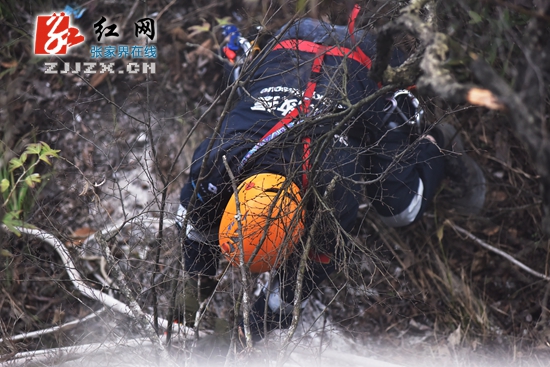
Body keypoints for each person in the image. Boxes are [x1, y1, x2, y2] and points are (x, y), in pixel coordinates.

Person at [175, 2, 485, 343]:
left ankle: (433, 139)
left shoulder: (335, 190)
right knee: (239, 77)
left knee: (400, 208)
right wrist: (191, 302)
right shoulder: (216, 167)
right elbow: (195, 226)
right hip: (292, 43)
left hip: (369, 63)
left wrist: (251, 331)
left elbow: (303, 276)